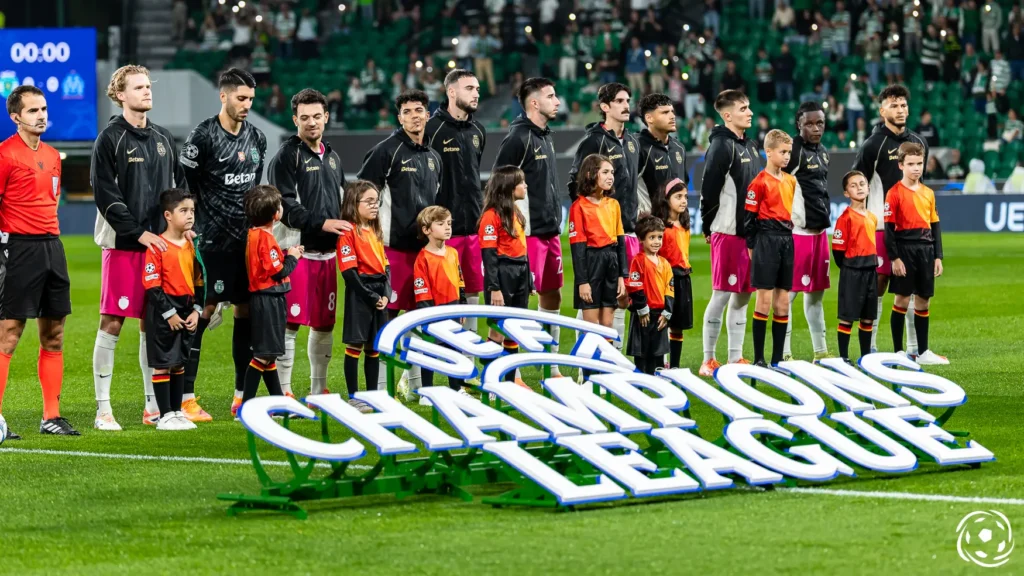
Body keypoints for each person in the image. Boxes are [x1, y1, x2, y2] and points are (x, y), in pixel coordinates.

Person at [90, 64, 191, 430]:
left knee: (155, 326)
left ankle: (153, 407)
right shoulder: (110, 138)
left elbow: (178, 187)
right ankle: (104, 410)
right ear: (120, 94)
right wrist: (137, 232)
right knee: (113, 322)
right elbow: (106, 194)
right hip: (124, 246)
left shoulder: (164, 138)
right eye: (138, 87)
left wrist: (181, 224)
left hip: (161, 248)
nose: (147, 92)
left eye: (148, 86)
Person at [179, 68, 267, 413]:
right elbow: (184, 184)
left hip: (247, 244)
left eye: (250, 99)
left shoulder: (257, 138)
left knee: (246, 312)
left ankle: (241, 397)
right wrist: (190, 225)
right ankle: (187, 397)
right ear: (223, 96)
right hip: (211, 242)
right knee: (204, 311)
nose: (246, 105)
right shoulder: (203, 136)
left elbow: (254, 190)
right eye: (240, 98)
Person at [0, 85, 78, 437]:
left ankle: (51, 417)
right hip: (18, 250)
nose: (42, 115)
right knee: (9, 334)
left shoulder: (51, 154)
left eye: (44, 109)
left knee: (55, 334)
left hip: (52, 248)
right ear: (15, 117)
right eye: (33, 111)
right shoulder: (4, 155)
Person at [356, 89, 442, 398]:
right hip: (392, 251)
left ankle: (416, 387)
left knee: (421, 320)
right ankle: (380, 390)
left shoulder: (434, 158)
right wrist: (369, 241)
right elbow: (360, 196)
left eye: (419, 110)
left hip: (424, 254)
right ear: (399, 117)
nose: (414, 116)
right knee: (386, 321)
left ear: (428, 114)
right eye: (407, 111)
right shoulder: (385, 151)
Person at [268, 88, 347, 400]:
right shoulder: (286, 157)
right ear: (294, 120)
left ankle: (318, 388)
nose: (311, 122)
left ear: (326, 117)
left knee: (324, 324)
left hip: (328, 255)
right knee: (291, 323)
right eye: (305, 118)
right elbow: (284, 207)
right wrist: (323, 222)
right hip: (297, 253)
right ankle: (285, 391)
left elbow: (340, 199)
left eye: (317, 116)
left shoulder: (333, 156)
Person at [852, 84, 931, 356]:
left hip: (913, 232)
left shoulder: (919, 142)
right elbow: (856, 182)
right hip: (880, 228)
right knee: (878, 285)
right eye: (894, 105)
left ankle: (913, 350)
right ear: (882, 110)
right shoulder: (873, 144)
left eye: (903, 105)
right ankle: (870, 347)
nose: (900, 110)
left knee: (911, 288)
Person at [493, 78, 563, 376]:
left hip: (550, 231)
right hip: (528, 235)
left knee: (552, 295)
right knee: (518, 302)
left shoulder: (545, 135)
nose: (557, 101)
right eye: (550, 96)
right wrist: (511, 228)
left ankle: (551, 366)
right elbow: (499, 183)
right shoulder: (517, 138)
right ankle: (510, 371)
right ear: (534, 103)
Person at [568, 83, 640, 350]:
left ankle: (612, 361)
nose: (626, 105)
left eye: (628, 100)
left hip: (624, 229)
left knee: (620, 299)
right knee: (590, 307)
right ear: (605, 107)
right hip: (597, 235)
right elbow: (574, 180)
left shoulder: (632, 142)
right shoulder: (593, 141)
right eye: (619, 101)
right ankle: (584, 368)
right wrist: (592, 210)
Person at [425, 70, 487, 362]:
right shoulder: (431, 129)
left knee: (473, 296)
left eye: (477, 88)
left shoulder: (478, 131)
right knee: (435, 303)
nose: (476, 93)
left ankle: (468, 368)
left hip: (472, 229)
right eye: (469, 88)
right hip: (440, 233)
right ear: (451, 92)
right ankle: (414, 378)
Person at [698, 90, 761, 376]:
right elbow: (708, 189)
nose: (749, 112)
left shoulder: (749, 145)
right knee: (721, 294)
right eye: (743, 108)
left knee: (744, 295)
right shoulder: (722, 146)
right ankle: (708, 359)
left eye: (749, 107)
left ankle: (735, 357)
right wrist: (707, 225)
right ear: (727, 115)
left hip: (749, 235)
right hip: (727, 231)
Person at [142, 189, 203, 431]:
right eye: (184, 211)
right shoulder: (157, 246)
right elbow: (151, 283)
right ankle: (164, 414)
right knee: (163, 362)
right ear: (168, 215)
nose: (190, 216)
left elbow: (200, 279)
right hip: (163, 311)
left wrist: (197, 310)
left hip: (187, 309)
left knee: (180, 362)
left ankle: (177, 411)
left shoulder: (192, 244)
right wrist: (170, 313)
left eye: (192, 211)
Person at [884, 143, 947, 365]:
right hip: (905, 249)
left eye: (919, 164)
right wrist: (895, 258)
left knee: (924, 300)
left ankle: (923, 352)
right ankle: (898, 351)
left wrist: (938, 256)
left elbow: (935, 225)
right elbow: (889, 230)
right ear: (901, 165)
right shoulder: (894, 193)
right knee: (901, 299)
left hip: (925, 250)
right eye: (911, 164)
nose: (916, 168)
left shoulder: (928, 193)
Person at [241, 185, 301, 408]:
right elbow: (278, 271)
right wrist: (293, 257)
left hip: (263, 299)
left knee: (269, 355)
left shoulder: (253, 234)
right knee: (263, 356)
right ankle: (246, 406)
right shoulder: (265, 238)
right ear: (276, 214)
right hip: (268, 300)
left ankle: (278, 403)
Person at [781, 102, 831, 361]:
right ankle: (785, 353)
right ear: (798, 124)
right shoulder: (793, 151)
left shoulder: (823, 152)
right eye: (809, 123)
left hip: (820, 234)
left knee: (816, 295)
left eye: (819, 123)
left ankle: (820, 351)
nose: (815, 128)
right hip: (798, 234)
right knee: (788, 295)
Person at [569, 154, 628, 373]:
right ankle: (587, 374)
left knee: (608, 325)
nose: (610, 176)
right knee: (591, 326)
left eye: (612, 172)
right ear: (590, 174)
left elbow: (621, 242)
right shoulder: (579, 207)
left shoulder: (613, 204)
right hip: (591, 263)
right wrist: (582, 281)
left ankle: (605, 374)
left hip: (611, 263)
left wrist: (622, 274)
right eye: (605, 172)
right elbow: (577, 249)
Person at [744, 130, 796, 368]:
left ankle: (777, 360)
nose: (787, 157)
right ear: (769, 152)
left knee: (783, 301)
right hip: (766, 239)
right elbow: (749, 220)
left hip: (787, 239)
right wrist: (752, 247)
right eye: (783, 152)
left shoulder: (791, 181)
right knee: (763, 300)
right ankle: (759, 359)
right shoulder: (758, 183)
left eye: (789, 152)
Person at [478, 166, 533, 387]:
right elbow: (489, 256)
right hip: (502, 275)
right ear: (509, 187)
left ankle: (510, 383)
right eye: (521, 182)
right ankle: (490, 380)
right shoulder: (490, 217)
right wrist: (494, 287)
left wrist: (527, 278)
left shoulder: (516, 213)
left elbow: (523, 249)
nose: (525, 186)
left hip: (519, 272)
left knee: (513, 331)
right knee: (498, 331)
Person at [337, 181, 390, 413]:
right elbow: (349, 272)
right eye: (368, 201)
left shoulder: (375, 230)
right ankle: (353, 396)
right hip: (361, 292)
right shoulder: (348, 232)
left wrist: (386, 293)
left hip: (378, 293)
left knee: (374, 346)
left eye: (376, 201)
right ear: (353, 203)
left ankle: (371, 395)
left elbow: (386, 267)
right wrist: (370, 295)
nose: (374, 205)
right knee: (355, 344)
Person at [412, 206, 468, 398]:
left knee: (455, 349)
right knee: (431, 351)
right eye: (441, 223)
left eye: (449, 223)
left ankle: (457, 388)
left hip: (453, 309)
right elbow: (422, 289)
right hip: (433, 311)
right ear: (426, 230)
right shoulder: (422, 259)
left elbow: (460, 281)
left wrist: (462, 307)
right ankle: (426, 393)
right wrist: (427, 315)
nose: (447, 228)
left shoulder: (453, 253)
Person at [832, 171, 878, 363]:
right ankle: (843, 358)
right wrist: (850, 266)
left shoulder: (872, 217)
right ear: (846, 193)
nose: (859, 187)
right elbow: (838, 251)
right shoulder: (845, 218)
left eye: (862, 183)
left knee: (868, 318)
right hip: (852, 271)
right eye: (853, 185)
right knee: (848, 317)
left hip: (871, 270)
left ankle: (865, 357)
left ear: (868, 188)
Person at [626, 214, 675, 375]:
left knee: (658, 352)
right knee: (642, 352)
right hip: (643, 314)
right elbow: (634, 285)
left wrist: (667, 312)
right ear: (641, 239)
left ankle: (657, 379)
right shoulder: (638, 261)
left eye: (659, 237)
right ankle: (640, 382)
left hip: (660, 315)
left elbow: (670, 288)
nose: (656, 241)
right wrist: (642, 308)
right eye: (651, 237)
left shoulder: (665, 263)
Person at [656, 179, 693, 369]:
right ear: (667, 199)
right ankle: (660, 363)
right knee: (663, 320)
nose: (684, 201)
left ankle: (675, 365)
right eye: (678, 197)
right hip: (666, 280)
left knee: (678, 324)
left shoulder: (685, 225)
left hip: (683, 279)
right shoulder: (661, 227)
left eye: (685, 197)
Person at [637, 94, 688, 219]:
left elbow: (683, 184)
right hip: (650, 229)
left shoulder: (679, 147)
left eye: (672, 112)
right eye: (665, 113)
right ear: (649, 118)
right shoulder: (636, 147)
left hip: (676, 226)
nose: (672, 116)